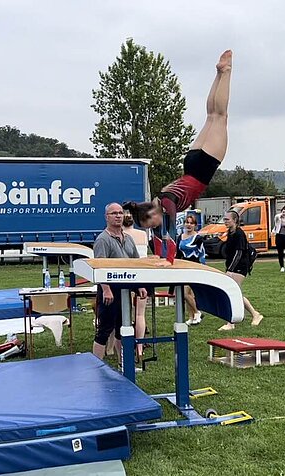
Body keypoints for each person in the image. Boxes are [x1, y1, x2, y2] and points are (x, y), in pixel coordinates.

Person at [122, 50, 233, 257]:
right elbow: (158, 233)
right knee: (211, 116)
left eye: (150, 224)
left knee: (220, 116)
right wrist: (157, 256)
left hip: (202, 167)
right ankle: (219, 73)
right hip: (191, 163)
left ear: (152, 215)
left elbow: (171, 231)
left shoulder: (166, 202)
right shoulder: (159, 199)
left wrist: (169, 260)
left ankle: (225, 72)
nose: (153, 227)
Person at [92, 203, 147, 366]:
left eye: (120, 213)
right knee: (104, 330)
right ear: (106, 217)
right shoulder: (103, 240)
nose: (118, 216)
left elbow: (135, 264)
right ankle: (97, 366)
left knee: (123, 329)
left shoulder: (128, 239)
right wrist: (106, 290)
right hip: (109, 292)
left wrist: (140, 286)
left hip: (125, 292)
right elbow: (99, 267)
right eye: (113, 213)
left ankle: (123, 363)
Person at [218, 210, 264, 331]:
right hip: (233, 266)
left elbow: (239, 253)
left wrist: (230, 269)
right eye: (224, 219)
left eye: (227, 219)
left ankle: (236, 320)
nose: (225, 222)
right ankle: (250, 316)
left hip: (240, 267)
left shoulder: (239, 233)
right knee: (234, 293)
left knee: (233, 292)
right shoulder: (230, 232)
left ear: (235, 220)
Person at [122, 209, 149, 360]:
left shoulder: (120, 236)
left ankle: (115, 347)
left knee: (124, 313)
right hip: (143, 276)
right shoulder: (143, 234)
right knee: (140, 314)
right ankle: (139, 348)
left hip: (125, 276)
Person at [177, 214, 206, 325]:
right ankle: (191, 317)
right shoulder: (180, 236)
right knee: (187, 294)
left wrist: (202, 267)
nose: (188, 225)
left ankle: (197, 312)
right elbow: (178, 253)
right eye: (187, 222)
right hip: (183, 267)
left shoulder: (198, 238)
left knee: (186, 293)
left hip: (194, 267)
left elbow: (202, 253)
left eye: (191, 223)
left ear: (195, 225)